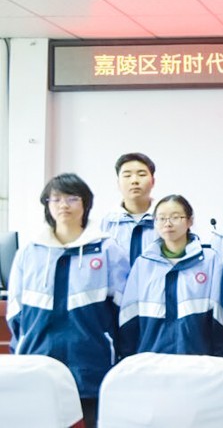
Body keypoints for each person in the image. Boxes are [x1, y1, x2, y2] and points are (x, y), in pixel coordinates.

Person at [8, 173, 129, 428]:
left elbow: (123, 311)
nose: (64, 205)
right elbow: (15, 311)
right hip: (38, 359)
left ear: (85, 203)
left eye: (72, 198)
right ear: (47, 205)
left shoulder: (106, 249)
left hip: (90, 361)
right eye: (56, 199)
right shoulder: (30, 251)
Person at [118, 195, 223, 358]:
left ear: (190, 221)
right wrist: (128, 358)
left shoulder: (209, 261)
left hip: (198, 359)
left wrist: (220, 359)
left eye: (175, 217)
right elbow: (128, 317)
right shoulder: (143, 263)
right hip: (150, 359)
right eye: (161, 218)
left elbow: (221, 317)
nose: (168, 223)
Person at [101, 152, 158, 265]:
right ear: (118, 183)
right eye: (127, 175)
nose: (134, 181)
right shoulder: (107, 222)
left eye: (141, 174)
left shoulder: (166, 218)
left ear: (153, 181)